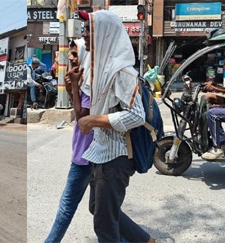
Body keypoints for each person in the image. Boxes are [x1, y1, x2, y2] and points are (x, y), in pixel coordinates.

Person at [77, 10, 171, 243]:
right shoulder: (101, 68)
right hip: (102, 153)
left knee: (105, 226)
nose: (84, 34)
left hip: (117, 157)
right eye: (84, 29)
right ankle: (147, 241)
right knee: (98, 209)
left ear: (105, 34)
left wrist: (93, 121)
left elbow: (136, 116)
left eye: (89, 29)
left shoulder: (121, 71)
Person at [45, 38, 94, 242]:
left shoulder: (90, 81)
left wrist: (74, 86)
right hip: (88, 153)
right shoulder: (84, 78)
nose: (70, 57)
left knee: (66, 206)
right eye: (70, 54)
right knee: (101, 208)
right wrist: (73, 84)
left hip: (86, 155)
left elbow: (82, 116)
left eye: (74, 53)